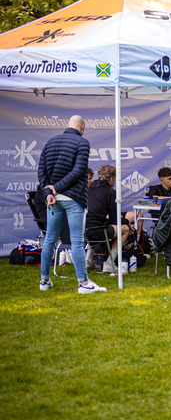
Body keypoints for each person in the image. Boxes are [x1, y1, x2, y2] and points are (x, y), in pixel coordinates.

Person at [37, 115, 106, 294]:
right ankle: (83, 284)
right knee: (76, 241)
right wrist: (55, 189)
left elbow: (41, 171)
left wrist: (49, 192)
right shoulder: (82, 143)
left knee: (49, 240)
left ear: (67, 125)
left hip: (53, 200)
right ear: (82, 127)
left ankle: (44, 281)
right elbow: (78, 171)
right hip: (73, 198)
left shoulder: (50, 142)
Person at [86, 164, 136, 273]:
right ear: (112, 178)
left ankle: (89, 260)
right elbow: (114, 220)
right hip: (97, 231)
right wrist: (126, 222)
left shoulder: (90, 187)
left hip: (84, 230)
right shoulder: (111, 192)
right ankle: (109, 263)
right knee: (125, 230)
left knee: (99, 226)